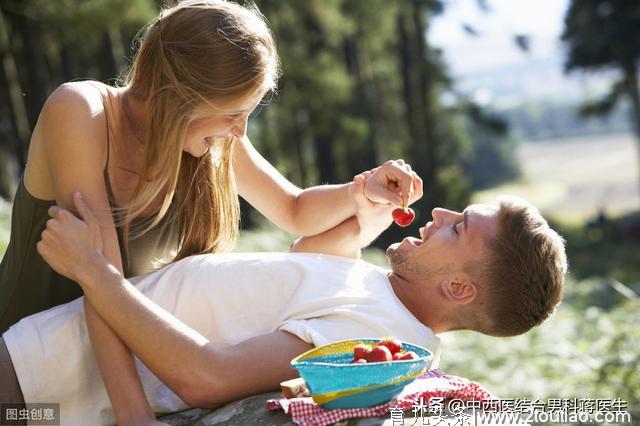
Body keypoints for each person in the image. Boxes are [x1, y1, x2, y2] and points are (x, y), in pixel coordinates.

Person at [0, 1, 420, 424]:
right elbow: (100, 280)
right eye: (234, 113)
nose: (240, 131)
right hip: (26, 376)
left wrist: (359, 190)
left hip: (113, 386)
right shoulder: (81, 112)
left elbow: (293, 210)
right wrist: (134, 415)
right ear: (179, 97)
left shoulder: (210, 137)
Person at [0, 192, 567, 425]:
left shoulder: (377, 334)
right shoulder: (385, 295)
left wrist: (93, 270)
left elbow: (208, 378)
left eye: (458, 228)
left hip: (43, 387)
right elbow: (304, 262)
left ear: (460, 291)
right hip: (51, 354)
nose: (439, 214)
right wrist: (360, 201)